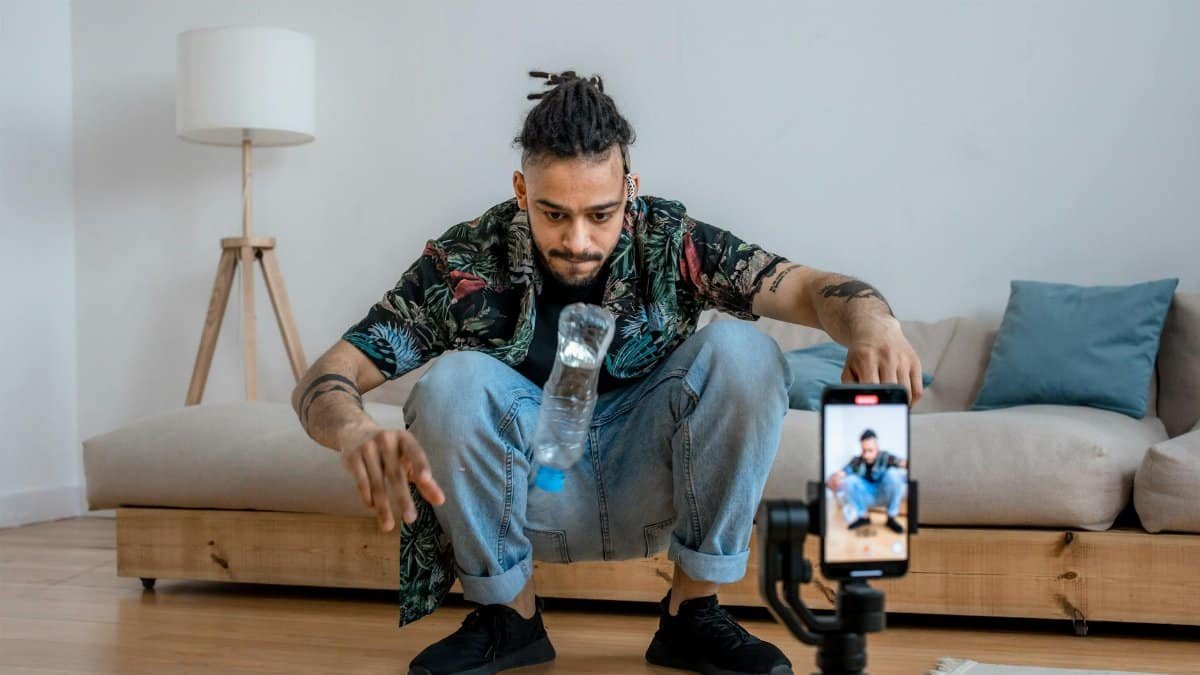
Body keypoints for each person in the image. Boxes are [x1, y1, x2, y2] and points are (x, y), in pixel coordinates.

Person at [292, 70, 924, 675]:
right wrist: (352, 430)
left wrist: (875, 325)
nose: (579, 240)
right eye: (553, 214)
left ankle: (692, 612)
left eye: (600, 214)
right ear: (520, 193)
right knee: (452, 382)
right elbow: (330, 375)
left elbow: (810, 289)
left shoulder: (672, 240)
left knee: (746, 351)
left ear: (629, 188)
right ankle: (508, 621)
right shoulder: (464, 260)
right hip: (532, 486)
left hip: (650, 479)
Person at [827, 429, 909, 534]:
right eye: (863, 451)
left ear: (877, 448)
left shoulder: (885, 456)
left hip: (884, 494)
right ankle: (863, 517)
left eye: (870, 450)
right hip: (867, 496)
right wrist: (833, 479)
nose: (866, 455)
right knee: (849, 481)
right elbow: (842, 473)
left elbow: (902, 463)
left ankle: (891, 518)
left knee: (894, 474)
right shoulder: (857, 460)